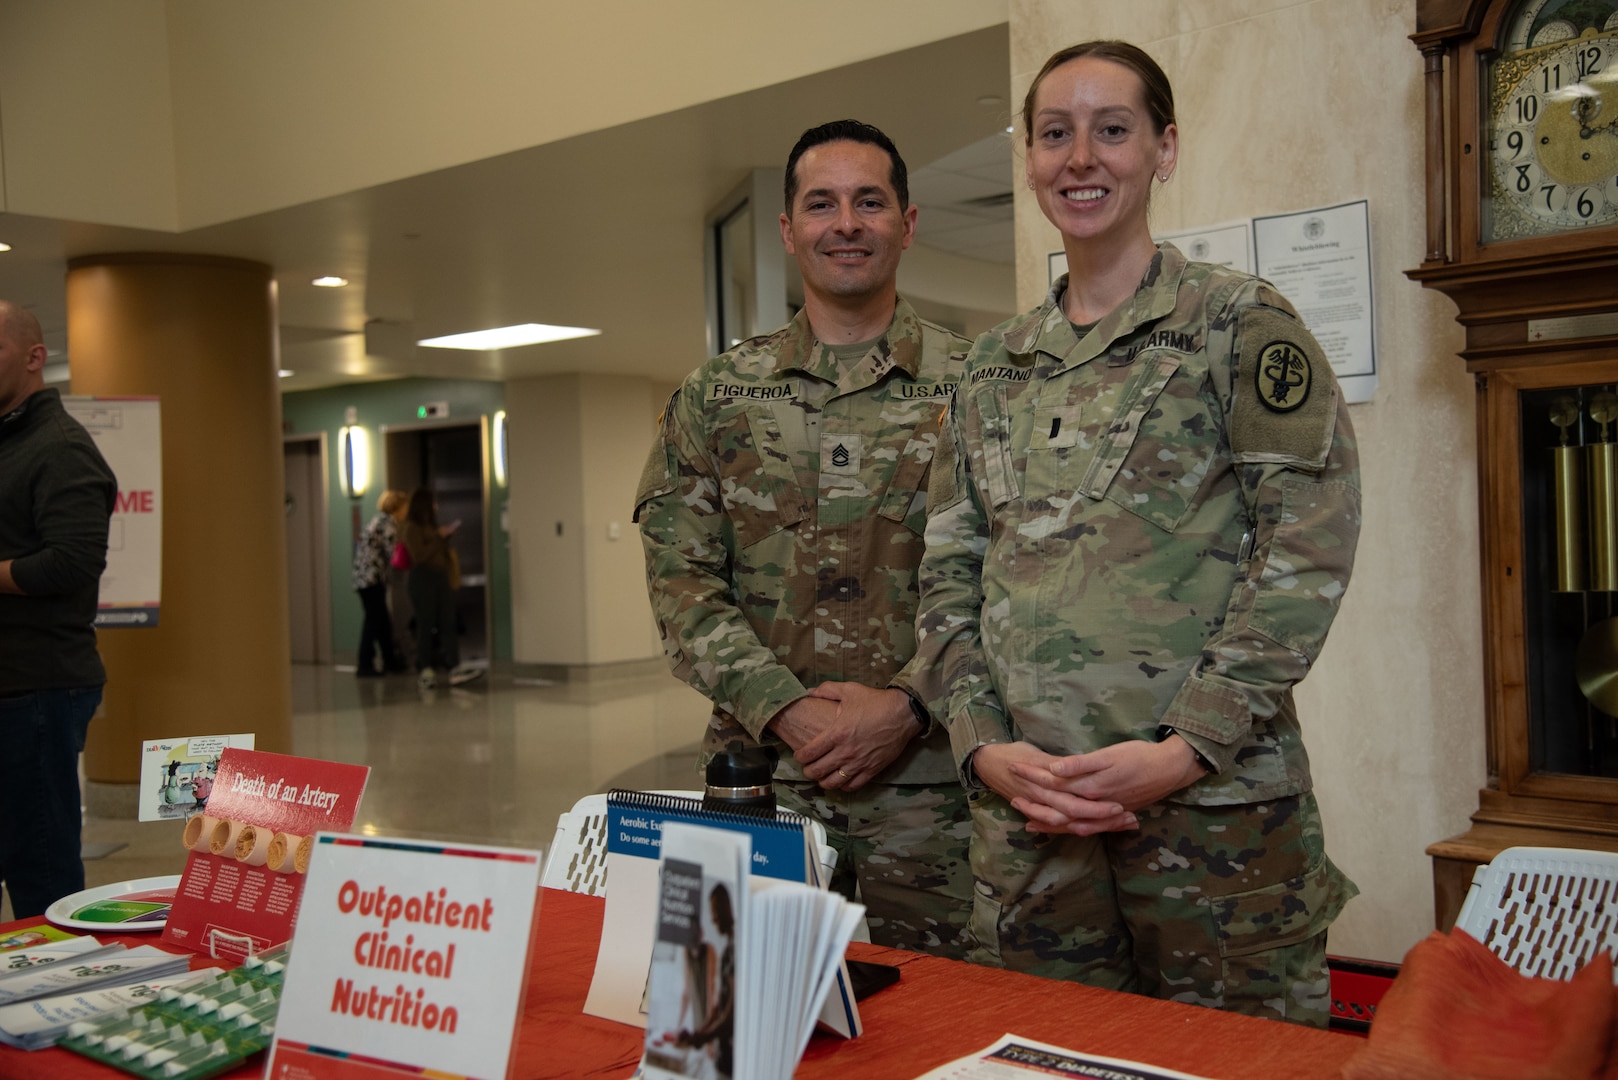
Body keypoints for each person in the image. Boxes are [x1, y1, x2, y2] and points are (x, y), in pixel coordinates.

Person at [908, 41, 1360, 1026]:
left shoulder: (1237, 325)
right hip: (1031, 826)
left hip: (1212, 819)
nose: (1082, 158)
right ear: (1026, 157)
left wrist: (1182, 748)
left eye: (1111, 130)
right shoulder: (992, 367)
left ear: (1163, 148)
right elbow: (947, 573)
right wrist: (982, 745)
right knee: (1049, 1054)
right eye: (1055, 134)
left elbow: (1303, 555)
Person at [635, 120, 974, 958]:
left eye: (870, 201)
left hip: (934, 794)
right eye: (821, 204)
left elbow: (1009, 582)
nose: (846, 223)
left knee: (940, 1028)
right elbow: (681, 584)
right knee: (747, 1011)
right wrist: (785, 711)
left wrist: (909, 705)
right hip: (763, 785)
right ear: (788, 231)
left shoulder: (980, 389)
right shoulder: (716, 396)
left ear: (908, 221)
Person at [0, 300, 116, 919]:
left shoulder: (61, 446)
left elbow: (72, 562)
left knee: (40, 874)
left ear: (33, 357)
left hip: (37, 691)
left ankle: (62, 1009)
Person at [400, 488, 481, 690]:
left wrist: (445, 536)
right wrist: (438, 536)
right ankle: (425, 668)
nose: (436, 507)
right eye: (433, 503)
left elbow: (437, 550)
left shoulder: (431, 526)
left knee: (448, 621)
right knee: (425, 623)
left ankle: (454, 665)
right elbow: (418, 555)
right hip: (422, 579)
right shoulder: (411, 527)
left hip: (439, 577)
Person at [352, 489, 408, 677]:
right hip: (371, 579)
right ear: (397, 508)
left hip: (364, 578)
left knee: (381, 620)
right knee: (374, 621)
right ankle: (365, 664)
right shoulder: (387, 524)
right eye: (404, 507)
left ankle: (388, 660)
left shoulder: (378, 521)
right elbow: (393, 555)